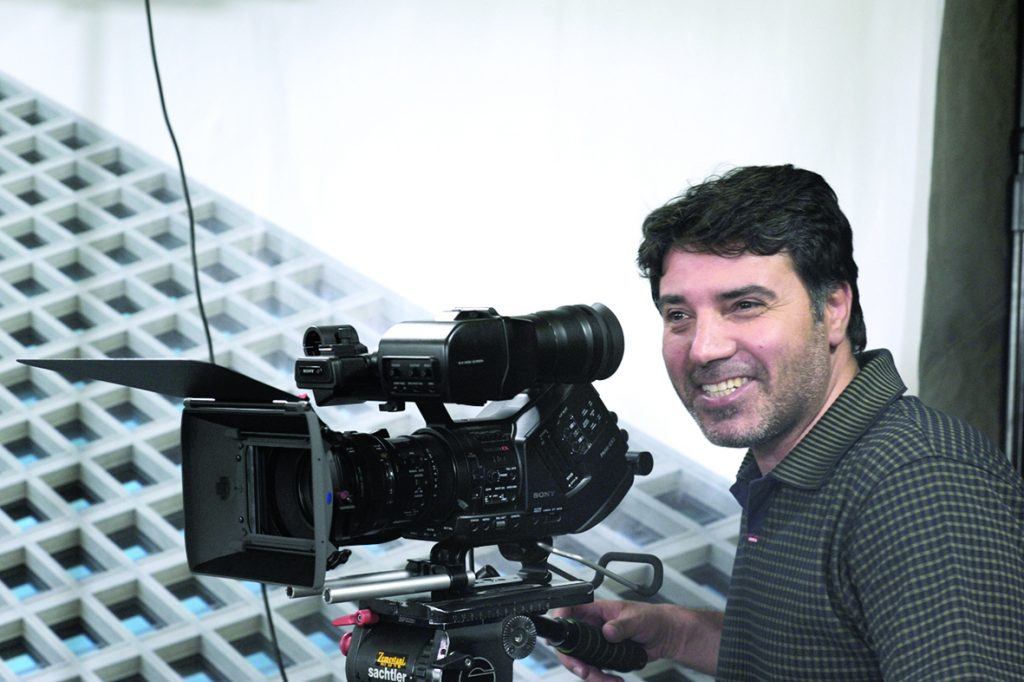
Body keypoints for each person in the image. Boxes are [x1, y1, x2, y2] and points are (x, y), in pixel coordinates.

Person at [553, 165, 1024, 680]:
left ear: (834, 308)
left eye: (745, 305)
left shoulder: (919, 486)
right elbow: (829, 652)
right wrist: (682, 633)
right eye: (679, 315)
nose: (704, 349)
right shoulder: (790, 460)